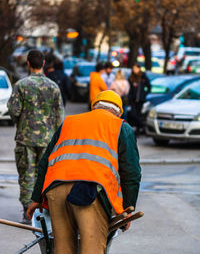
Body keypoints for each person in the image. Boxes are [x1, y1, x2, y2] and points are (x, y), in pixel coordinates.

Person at [27, 90, 141, 254]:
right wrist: (127, 210)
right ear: (118, 112)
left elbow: (45, 162)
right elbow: (131, 173)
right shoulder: (120, 127)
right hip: (89, 194)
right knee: (91, 249)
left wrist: (36, 198)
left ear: (95, 107)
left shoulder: (69, 122)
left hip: (56, 191)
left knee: (63, 249)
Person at [7, 50, 65, 224]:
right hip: (48, 140)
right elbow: (60, 116)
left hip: (26, 138)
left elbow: (14, 110)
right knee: (46, 175)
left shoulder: (21, 85)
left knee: (27, 174)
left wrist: (22, 122)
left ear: (28, 64)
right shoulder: (53, 86)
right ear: (44, 63)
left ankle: (27, 211)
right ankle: (45, 210)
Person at [128, 63, 151, 135]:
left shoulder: (143, 77)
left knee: (139, 114)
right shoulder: (131, 78)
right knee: (134, 114)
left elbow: (149, 86)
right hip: (133, 99)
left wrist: (144, 94)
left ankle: (139, 129)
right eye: (133, 68)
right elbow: (129, 89)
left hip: (140, 99)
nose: (135, 70)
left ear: (139, 69)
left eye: (136, 68)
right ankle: (143, 126)